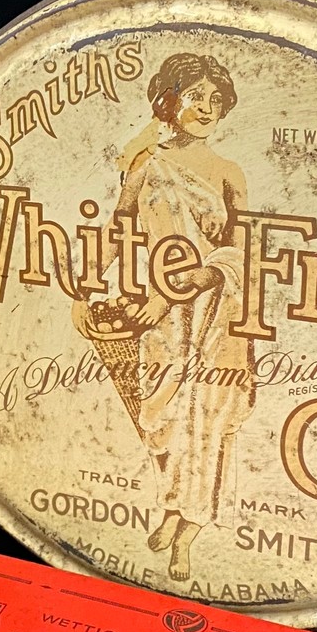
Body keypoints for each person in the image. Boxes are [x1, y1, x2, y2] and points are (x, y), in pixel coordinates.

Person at [108, 53, 253, 582]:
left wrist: (209, 276)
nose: (208, 109)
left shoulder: (229, 172)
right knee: (161, 417)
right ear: (170, 99)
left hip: (214, 316)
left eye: (216, 100)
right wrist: (97, 286)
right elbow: (120, 228)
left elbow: (243, 249)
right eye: (196, 97)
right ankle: (171, 507)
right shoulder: (146, 164)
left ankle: (189, 531)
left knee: (206, 419)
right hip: (159, 313)